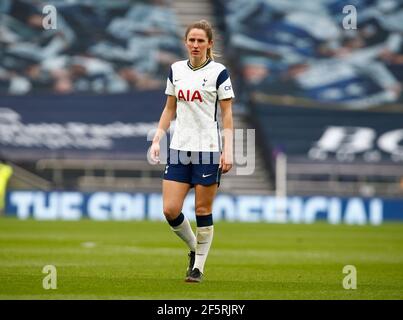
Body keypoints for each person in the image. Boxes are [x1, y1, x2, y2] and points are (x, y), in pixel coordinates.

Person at [149, 20, 235, 283]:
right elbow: (169, 108)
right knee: (170, 210)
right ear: (186, 42)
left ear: (210, 44)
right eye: (192, 40)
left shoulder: (219, 72)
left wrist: (228, 150)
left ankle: (198, 267)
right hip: (179, 148)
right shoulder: (176, 70)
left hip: (208, 150)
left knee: (201, 209)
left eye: (201, 41)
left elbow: (227, 113)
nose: (195, 45)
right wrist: (157, 139)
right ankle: (193, 248)